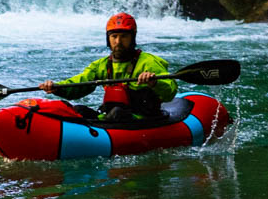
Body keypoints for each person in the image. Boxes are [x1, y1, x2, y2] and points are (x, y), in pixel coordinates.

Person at [39, 12, 176, 121]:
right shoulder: (102, 65)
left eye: (124, 37)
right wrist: (57, 87)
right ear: (108, 39)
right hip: (111, 116)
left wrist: (154, 82)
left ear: (133, 38)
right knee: (78, 110)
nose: (118, 41)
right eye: (114, 36)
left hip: (142, 118)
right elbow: (79, 84)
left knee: (117, 113)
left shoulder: (148, 62)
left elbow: (170, 91)